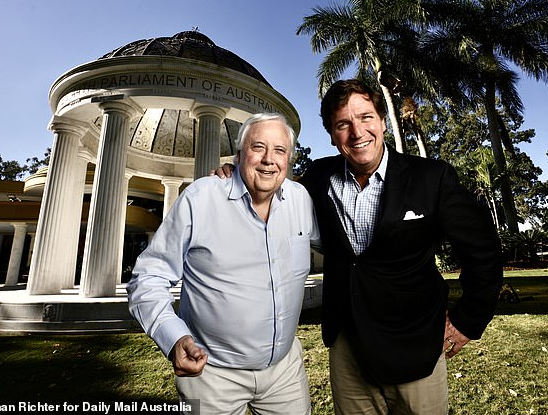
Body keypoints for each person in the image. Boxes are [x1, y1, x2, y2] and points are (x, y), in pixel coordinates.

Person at [215, 79, 502, 414]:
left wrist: (468, 320)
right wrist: (239, 175)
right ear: (333, 135)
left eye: (366, 117)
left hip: (415, 344)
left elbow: (482, 250)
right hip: (348, 347)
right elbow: (275, 195)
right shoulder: (319, 177)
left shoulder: (431, 178)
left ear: (381, 121)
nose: (357, 132)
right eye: (343, 124)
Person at [127, 113, 319, 415]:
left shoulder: (301, 200)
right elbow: (148, 278)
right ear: (240, 154)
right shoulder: (200, 199)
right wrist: (174, 337)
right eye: (258, 147)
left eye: (279, 150)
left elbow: (342, 247)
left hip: (285, 373)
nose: (269, 159)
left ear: (289, 159)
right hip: (211, 375)